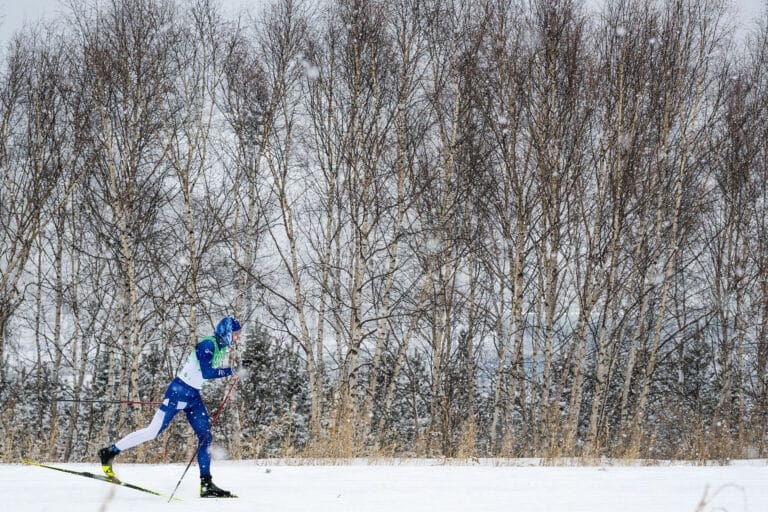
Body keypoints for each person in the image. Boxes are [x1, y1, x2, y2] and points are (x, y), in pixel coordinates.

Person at [98, 316, 244, 498]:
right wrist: (232, 370)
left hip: (193, 397)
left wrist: (236, 368)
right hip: (179, 392)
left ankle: (206, 484)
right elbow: (206, 372)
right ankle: (110, 451)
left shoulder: (220, 347)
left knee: (206, 436)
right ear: (226, 333)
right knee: (152, 432)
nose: (237, 338)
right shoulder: (208, 345)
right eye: (236, 334)